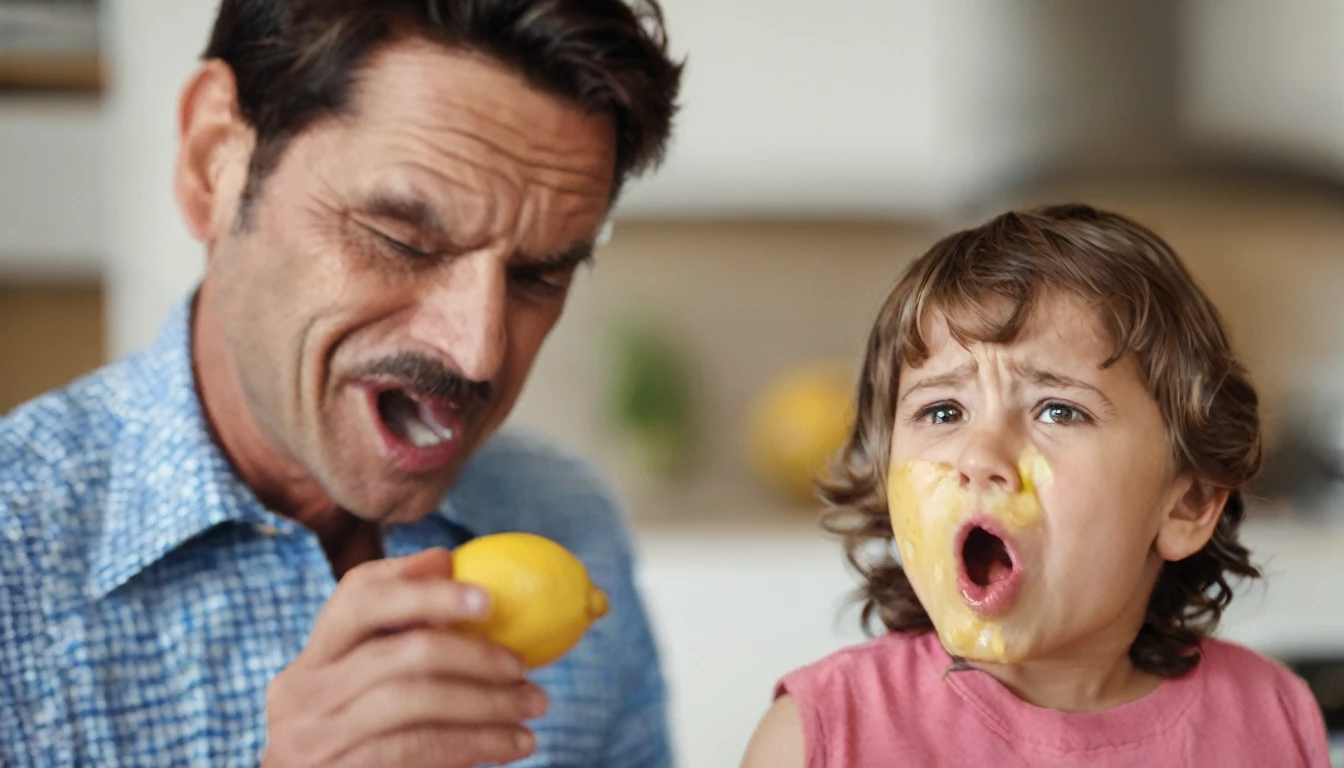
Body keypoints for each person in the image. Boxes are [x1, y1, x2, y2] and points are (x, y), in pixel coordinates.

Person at [0, 1, 683, 766]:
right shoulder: (12, 559)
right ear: (214, 161)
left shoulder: (569, 523)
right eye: (401, 239)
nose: (477, 352)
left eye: (539, 275)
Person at [740, 204, 1332, 767]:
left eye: (1057, 411)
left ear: (1188, 502)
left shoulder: (1271, 721)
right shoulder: (818, 740)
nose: (979, 457)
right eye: (943, 412)